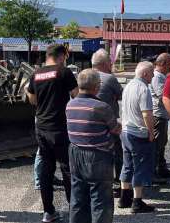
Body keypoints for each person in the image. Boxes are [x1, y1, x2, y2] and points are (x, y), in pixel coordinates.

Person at [26, 44, 79, 223]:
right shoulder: (64, 72)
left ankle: (48, 212)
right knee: (67, 169)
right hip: (60, 127)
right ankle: (74, 209)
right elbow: (76, 95)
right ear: (61, 56)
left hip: (41, 127)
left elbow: (32, 99)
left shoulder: (36, 74)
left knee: (46, 171)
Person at [66, 69, 121, 223]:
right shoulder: (101, 107)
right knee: (101, 200)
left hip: (75, 152)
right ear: (97, 86)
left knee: (78, 197)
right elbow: (115, 129)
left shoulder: (70, 105)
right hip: (98, 155)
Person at [119, 61, 157, 213]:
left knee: (127, 165)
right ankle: (137, 201)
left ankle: (124, 198)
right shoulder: (143, 89)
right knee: (139, 167)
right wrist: (151, 132)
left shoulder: (128, 85)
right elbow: (147, 113)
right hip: (138, 133)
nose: (153, 75)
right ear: (145, 74)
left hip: (126, 130)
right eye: (152, 73)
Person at [91, 49, 124, 195]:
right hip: (108, 122)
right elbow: (121, 94)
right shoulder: (109, 78)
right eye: (110, 62)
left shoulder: (84, 75)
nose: (111, 64)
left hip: (89, 122)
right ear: (105, 63)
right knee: (116, 152)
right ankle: (117, 182)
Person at [150, 52, 170, 179]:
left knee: (161, 143)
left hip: (162, 115)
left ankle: (161, 168)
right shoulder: (157, 77)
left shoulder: (161, 76)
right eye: (169, 63)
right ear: (163, 64)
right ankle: (154, 173)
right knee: (157, 144)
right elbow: (162, 97)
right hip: (158, 115)